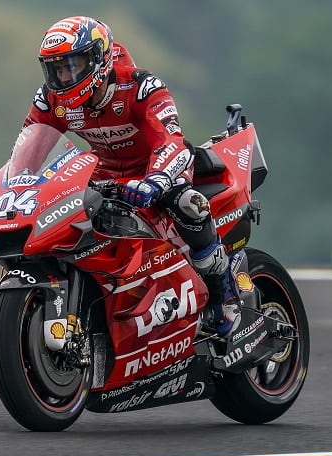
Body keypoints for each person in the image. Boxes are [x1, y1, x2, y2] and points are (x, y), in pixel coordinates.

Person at [22, 15, 243, 337]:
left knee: (187, 203)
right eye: (57, 68)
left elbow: (171, 139)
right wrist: (22, 184)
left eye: (73, 65)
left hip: (158, 169)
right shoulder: (49, 100)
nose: (65, 76)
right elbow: (29, 149)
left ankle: (224, 295)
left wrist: (156, 180)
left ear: (99, 58)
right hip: (102, 175)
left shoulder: (140, 86)